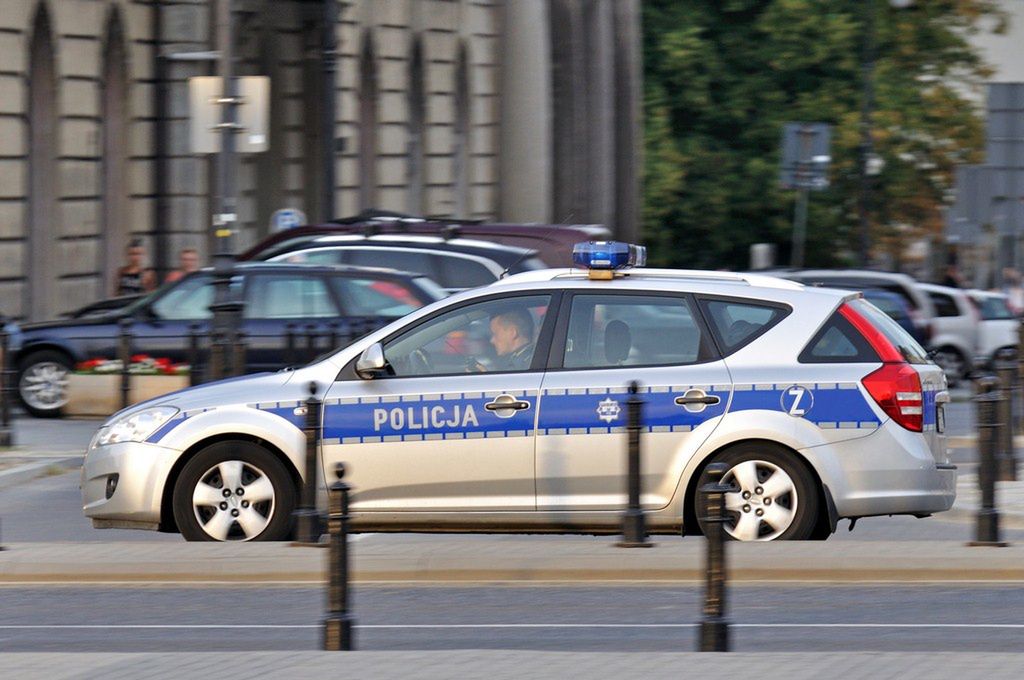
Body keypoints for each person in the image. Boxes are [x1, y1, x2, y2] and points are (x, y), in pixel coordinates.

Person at [468, 308, 536, 372]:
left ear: (512, 333)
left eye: (495, 334)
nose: (492, 340)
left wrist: (487, 382)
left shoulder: (524, 365)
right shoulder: (532, 360)